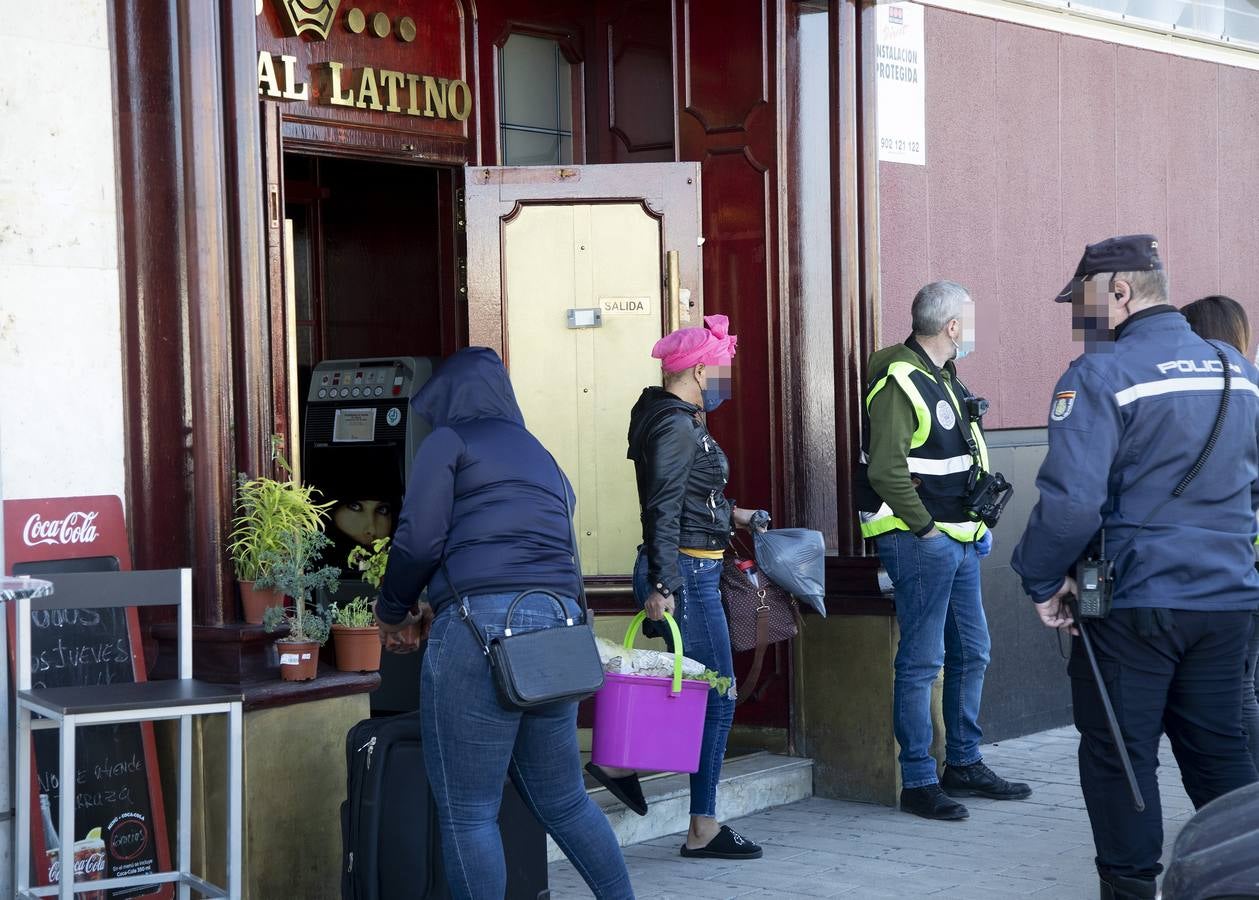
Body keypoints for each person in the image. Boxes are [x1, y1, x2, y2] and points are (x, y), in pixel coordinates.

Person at [1012, 237, 1259, 900]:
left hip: (1134, 603)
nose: (1076, 318)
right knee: (1220, 752)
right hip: (1228, 600)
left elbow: (1069, 506)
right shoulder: (1236, 369)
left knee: (1119, 758)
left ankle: (1129, 891)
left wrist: (1040, 580)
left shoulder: (1099, 374)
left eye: (1082, 303)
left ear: (1119, 291)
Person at [373, 347, 634, 900]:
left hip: (477, 629)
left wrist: (394, 610)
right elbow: (562, 551)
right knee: (564, 799)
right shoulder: (543, 457)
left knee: (469, 812)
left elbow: (419, 538)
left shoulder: (450, 441)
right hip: (555, 634)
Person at [586, 314, 766, 861]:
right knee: (718, 695)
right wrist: (664, 584)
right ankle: (701, 827)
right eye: (722, 367)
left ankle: (624, 764)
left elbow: (688, 496)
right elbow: (661, 508)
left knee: (699, 689)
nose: (727, 378)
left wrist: (736, 515)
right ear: (699, 369)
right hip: (686, 573)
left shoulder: (680, 417)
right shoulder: (675, 425)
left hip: (693, 566)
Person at [854, 281, 1030, 821]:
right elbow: (885, 470)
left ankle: (964, 762)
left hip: (957, 537)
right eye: (970, 321)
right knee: (922, 660)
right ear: (951, 327)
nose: (974, 331)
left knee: (972, 650)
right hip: (920, 540)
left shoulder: (943, 378)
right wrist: (927, 530)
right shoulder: (900, 380)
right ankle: (919, 779)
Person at [1182, 294, 1259, 775]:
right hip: (1239, 561)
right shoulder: (1247, 392)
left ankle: (1243, 807)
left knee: (1238, 692)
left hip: (1238, 564)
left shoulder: (1226, 402)